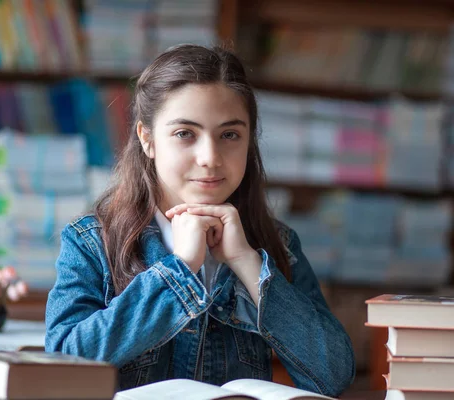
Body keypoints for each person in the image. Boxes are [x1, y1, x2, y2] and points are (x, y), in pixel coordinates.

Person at [45, 44, 355, 397]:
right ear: (147, 139)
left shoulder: (279, 244)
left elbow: (334, 374)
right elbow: (62, 366)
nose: (210, 157)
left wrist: (247, 262)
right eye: (185, 134)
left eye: (229, 135)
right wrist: (180, 269)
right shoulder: (91, 241)